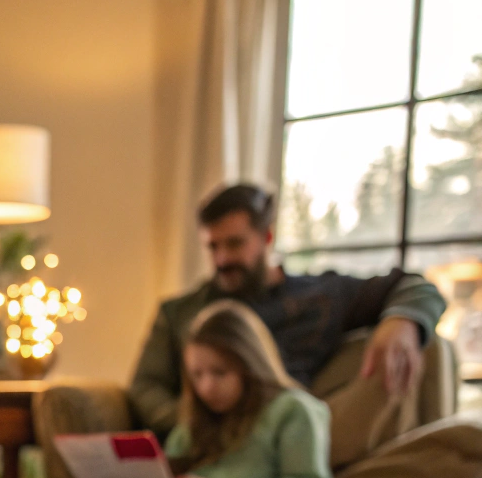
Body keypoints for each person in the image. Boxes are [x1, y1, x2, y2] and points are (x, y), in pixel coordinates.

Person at [130, 184, 447, 436]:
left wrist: (402, 321)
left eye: (235, 244)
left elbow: (416, 287)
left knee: (430, 347)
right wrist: (197, 421)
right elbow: (146, 386)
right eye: (213, 247)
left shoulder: (320, 296)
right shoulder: (179, 314)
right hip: (212, 445)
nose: (222, 259)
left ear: (267, 237)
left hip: (296, 436)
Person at [110, 301, 334, 478]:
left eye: (219, 372)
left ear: (249, 364)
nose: (206, 387)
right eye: (197, 375)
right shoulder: (196, 415)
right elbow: (173, 473)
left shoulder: (294, 410)